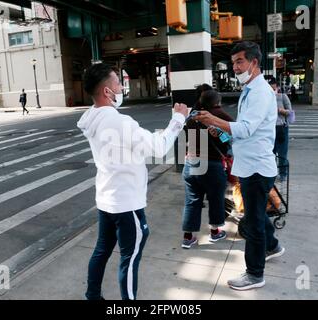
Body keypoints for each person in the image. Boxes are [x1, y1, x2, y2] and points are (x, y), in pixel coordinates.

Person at [77, 63, 188, 300]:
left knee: (102, 250)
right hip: (127, 203)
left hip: (107, 199)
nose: (121, 87)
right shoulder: (120, 122)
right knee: (130, 258)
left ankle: (92, 296)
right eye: (118, 82)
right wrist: (178, 120)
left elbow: (139, 144)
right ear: (107, 91)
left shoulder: (92, 118)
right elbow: (159, 148)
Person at [194, 41, 285, 291]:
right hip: (249, 166)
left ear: (254, 63)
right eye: (233, 62)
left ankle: (255, 274)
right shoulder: (249, 89)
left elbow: (245, 129)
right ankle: (273, 246)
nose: (234, 67)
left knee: (253, 222)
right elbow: (240, 135)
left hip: (256, 168)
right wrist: (218, 131)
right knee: (257, 214)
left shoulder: (259, 92)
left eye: (239, 62)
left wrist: (213, 119)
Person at [181, 89, 234, 249]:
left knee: (192, 201)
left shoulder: (192, 116)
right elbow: (231, 139)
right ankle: (215, 232)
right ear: (217, 102)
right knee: (215, 198)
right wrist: (220, 134)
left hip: (191, 163)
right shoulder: (221, 115)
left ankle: (188, 238)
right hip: (211, 165)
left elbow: (185, 136)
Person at [269, 77, 292, 181]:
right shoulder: (266, 98)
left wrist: (279, 110)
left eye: (274, 88)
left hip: (281, 128)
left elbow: (289, 112)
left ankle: (283, 174)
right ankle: (272, 173)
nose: (272, 91)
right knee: (270, 153)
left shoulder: (283, 97)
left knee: (282, 153)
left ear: (277, 87)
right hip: (270, 129)